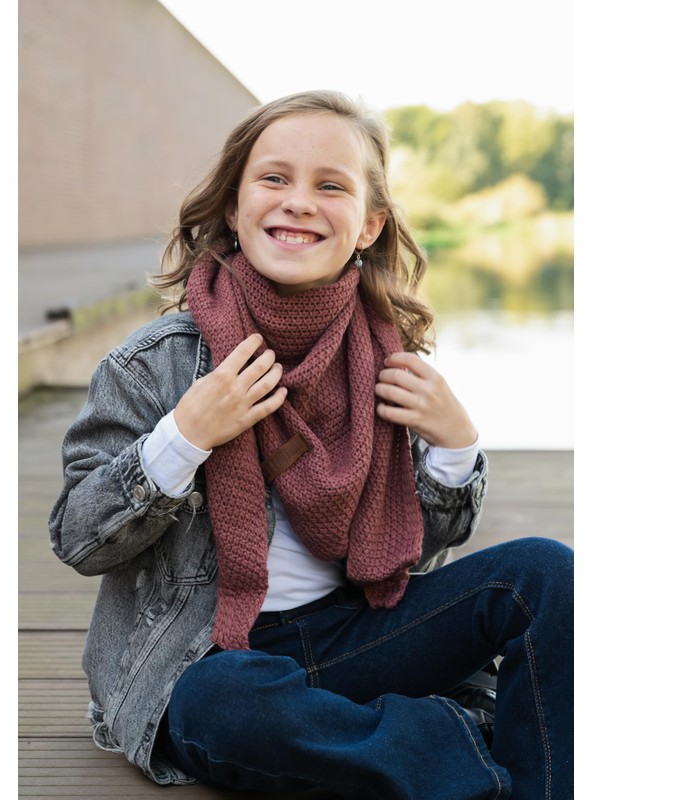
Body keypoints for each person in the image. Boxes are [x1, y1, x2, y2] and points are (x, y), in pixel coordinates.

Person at [49, 90, 573, 799]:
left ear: (369, 224)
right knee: (223, 705)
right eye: (274, 178)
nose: (299, 202)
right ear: (233, 207)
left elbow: (414, 547)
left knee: (547, 572)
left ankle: (508, 774)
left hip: (356, 633)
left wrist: (456, 448)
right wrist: (183, 437)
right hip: (207, 655)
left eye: (331, 186)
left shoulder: (386, 356)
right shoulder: (155, 365)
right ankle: (478, 756)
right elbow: (78, 537)